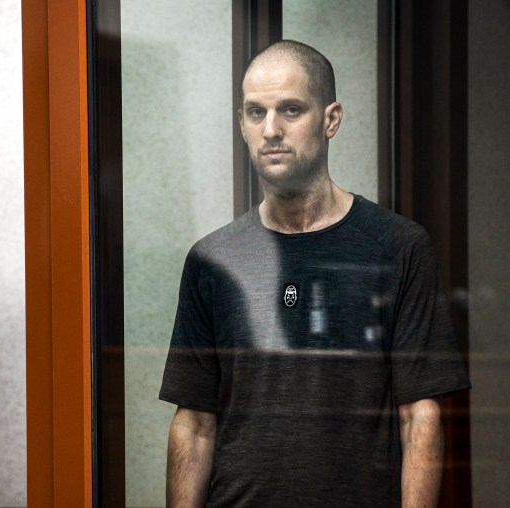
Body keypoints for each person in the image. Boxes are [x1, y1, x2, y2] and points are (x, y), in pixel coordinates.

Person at [159, 40, 471, 507]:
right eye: (255, 112)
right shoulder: (212, 259)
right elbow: (195, 422)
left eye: (290, 110)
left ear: (331, 119)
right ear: (241, 124)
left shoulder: (398, 246)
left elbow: (419, 416)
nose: (271, 130)